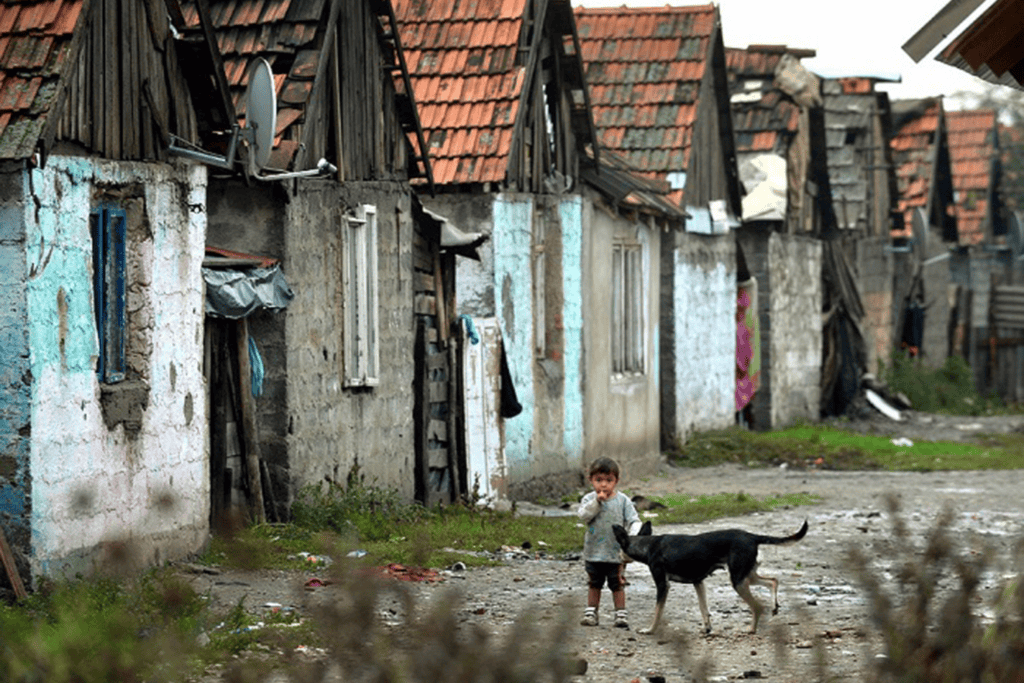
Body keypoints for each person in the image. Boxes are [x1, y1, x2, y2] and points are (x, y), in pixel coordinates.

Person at [577, 457, 642, 628]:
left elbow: (634, 520)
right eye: (598, 480)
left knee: (617, 583)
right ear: (591, 480)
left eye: (609, 480)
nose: (603, 485)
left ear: (616, 481)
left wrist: (632, 538)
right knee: (594, 583)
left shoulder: (623, 501)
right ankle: (591, 612)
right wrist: (597, 502)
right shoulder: (589, 499)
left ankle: (620, 614)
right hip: (593, 551)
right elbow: (584, 516)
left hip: (616, 552)